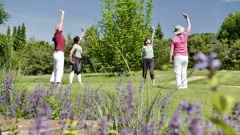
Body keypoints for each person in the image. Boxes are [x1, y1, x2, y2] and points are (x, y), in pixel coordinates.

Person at [169, 13, 191, 89]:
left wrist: (170, 58)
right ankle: (184, 87)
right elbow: (189, 27)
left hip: (178, 56)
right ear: (181, 31)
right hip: (185, 56)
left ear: (176, 32)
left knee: (178, 73)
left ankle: (179, 87)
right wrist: (187, 18)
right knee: (184, 72)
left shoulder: (173, 39)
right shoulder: (185, 35)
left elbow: (172, 49)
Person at [50, 10, 66, 88]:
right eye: (59, 26)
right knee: (60, 69)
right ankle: (58, 84)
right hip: (59, 53)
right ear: (57, 28)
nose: (60, 26)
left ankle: (52, 83)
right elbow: (61, 21)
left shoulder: (58, 35)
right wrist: (62, 13)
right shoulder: (58, 33)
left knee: (56, 69)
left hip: (57, 53)